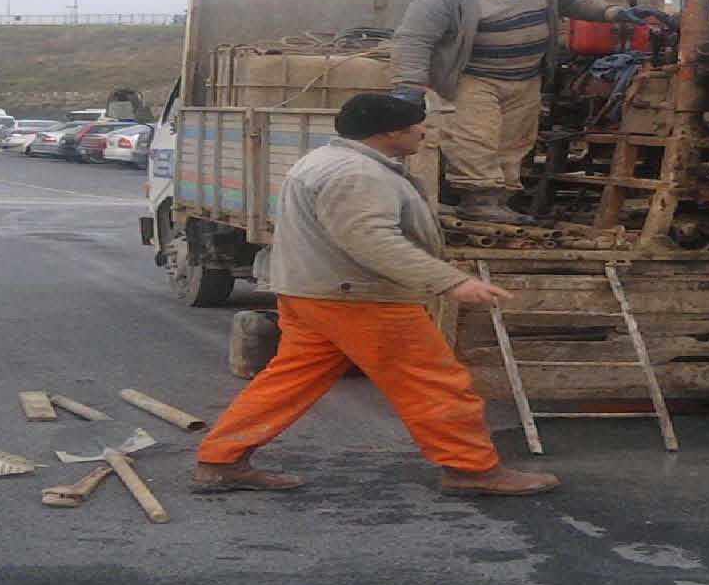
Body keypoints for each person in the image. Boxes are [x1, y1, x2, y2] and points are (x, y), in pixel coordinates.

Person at [191, 92, 561, 496]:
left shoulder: (325, 161)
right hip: (359, 297)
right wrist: (452, 281)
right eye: (418, 124)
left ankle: (220, 460)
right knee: (435, 382)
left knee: (287, 382)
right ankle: (471, 469)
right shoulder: (358, 175)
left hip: (312, 292)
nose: (424, 131)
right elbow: (371, 241)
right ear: (389, 132)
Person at [389, 0, 668, 225]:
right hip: (471, 77)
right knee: (475, 138)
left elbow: (572, 2)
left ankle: (502, 200)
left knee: (515, 141)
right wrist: (409, 85)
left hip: (526, 76)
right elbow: (414, 40)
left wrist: (614, 13)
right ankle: (478, 199)